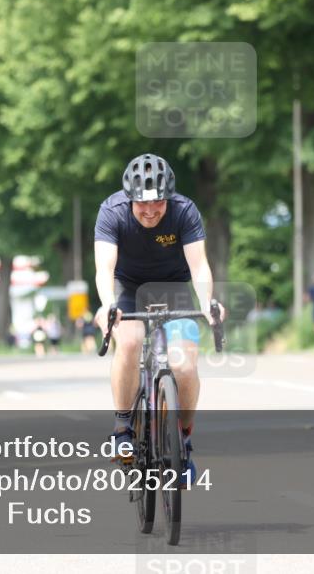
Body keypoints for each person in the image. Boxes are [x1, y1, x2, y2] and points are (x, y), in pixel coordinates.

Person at [94, 153, 224, 484]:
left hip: (172, 288)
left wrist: (208, 303)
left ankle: (182, 438)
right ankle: (123, 428)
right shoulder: (111, 212)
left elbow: (199, 267)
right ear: (130, 199)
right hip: (128, 289)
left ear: (169, 198)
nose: (150, 212)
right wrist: (108, 305)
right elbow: (104, 268)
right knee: (132, 341)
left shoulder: (185, 211)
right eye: (142, 206)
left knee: (183, 365)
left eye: (158, 204)